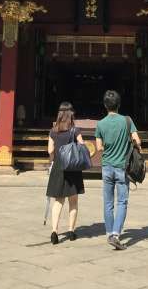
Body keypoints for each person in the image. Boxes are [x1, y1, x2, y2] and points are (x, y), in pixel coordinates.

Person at [95, 90, 141, 250]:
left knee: (108, 202)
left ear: (105, 105)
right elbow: (137, 140)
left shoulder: (100, 124)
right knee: (122, 201)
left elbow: (99, 147)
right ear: (119, 104)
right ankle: (115, 234)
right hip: (123, 168)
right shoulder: (127, 121)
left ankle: (109, 233)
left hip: (107, 166)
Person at [46, 101, 86, 244]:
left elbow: (50, 150)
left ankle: (54, 231)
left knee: (58, 201)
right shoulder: (75, 131)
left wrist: (52, 161)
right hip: (73, 168)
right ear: (71, 114)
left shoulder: (53, 131)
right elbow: (82, 147)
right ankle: (71, 231)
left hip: (58, 167)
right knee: (73, 201)